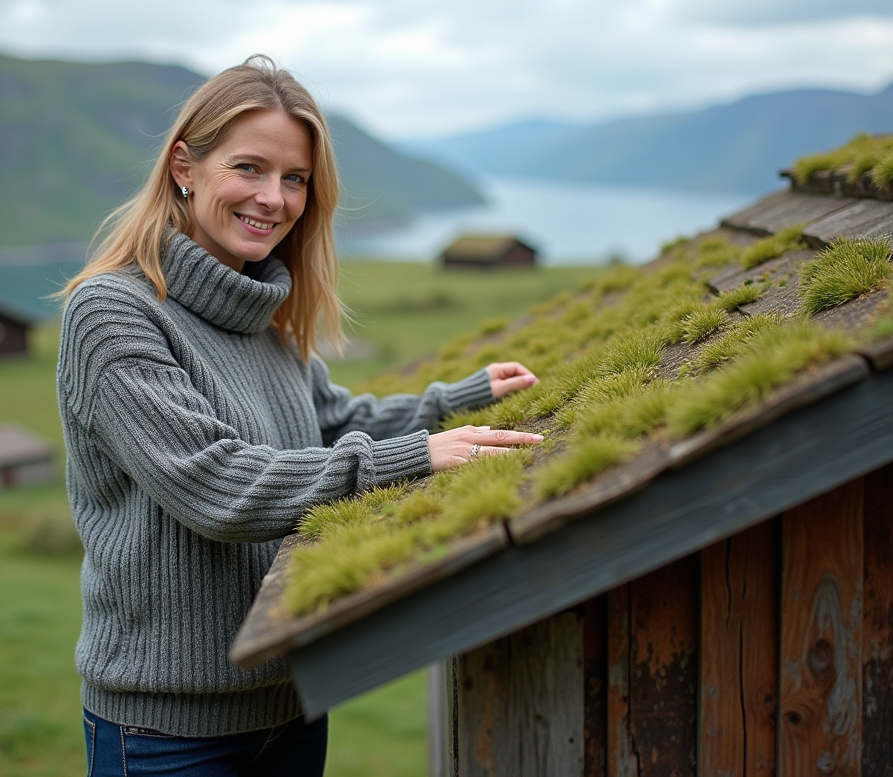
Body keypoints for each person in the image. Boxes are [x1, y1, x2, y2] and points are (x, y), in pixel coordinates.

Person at [55, 54, 542, 777]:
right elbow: (215, 485)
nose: (274, 199)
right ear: (185, 167)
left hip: (291, 706)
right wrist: (419, 457)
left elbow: (334, 422)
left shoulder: (262, 314)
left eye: (295, 179)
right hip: (165, 735)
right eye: (249, 168)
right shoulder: (114, 314)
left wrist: (458, 403)